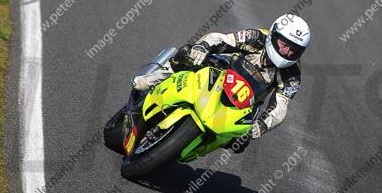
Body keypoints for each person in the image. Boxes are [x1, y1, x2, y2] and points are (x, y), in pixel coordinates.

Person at [131, 14, 311, 147]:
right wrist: (203, 47)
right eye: (284, 44)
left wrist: (262, 126)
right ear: (273, 36)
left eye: (294, 49)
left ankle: (192, 145)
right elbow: (221, 38)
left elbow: (281, 106)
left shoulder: (292, 74)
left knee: (239, 144)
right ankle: (153, 79)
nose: (287, 52)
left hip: (241, 105)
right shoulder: (257, 37)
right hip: (219, 72)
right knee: (188, 54)